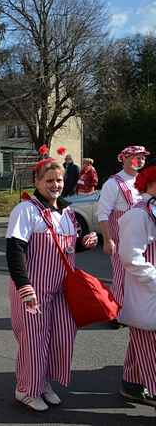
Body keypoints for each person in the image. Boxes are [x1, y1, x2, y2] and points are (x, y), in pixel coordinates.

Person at [6, 159, 98, 411]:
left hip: (62, 288)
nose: (55, 185)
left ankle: (43, 382)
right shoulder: (25, 210)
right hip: (33, 287)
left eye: (58, 180)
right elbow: (15, 250)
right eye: (49, 180)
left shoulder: (66, 211)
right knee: (34, 340)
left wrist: (83, 243)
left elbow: (66, 246)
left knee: (61, 336)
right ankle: (26, 389)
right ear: (36, 181)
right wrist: (23, 285)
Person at [118, 165, 156, 407]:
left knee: (142, 340)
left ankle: (131, 383)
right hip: (148, 290)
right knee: (150, 343)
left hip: (151, 291)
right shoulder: (139, 214)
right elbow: (130, 257)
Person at [97, 145, 150, 310]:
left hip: (143, 240)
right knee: (121, 276)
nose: (140, 160)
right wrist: (107, 240)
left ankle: (137, 310)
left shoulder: (144, 180)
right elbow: (103, 214)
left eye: (142, 157)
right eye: (136, 157)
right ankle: (117, 311)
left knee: (140, 276)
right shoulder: (113, 183)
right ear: (124, 159)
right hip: (121, 241)